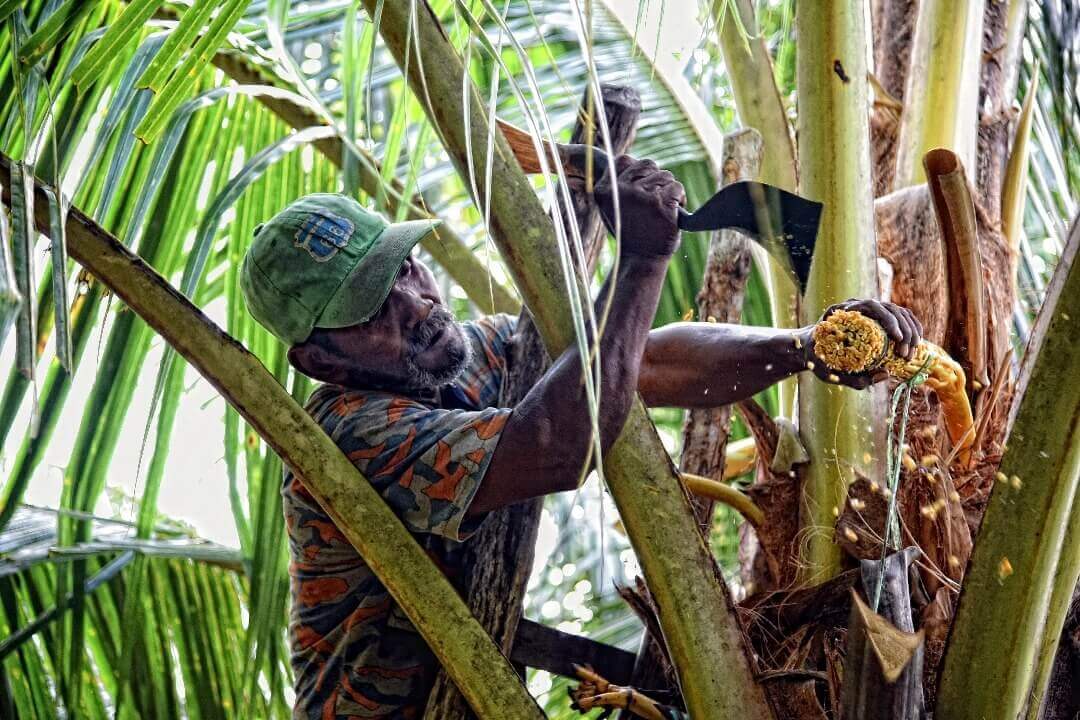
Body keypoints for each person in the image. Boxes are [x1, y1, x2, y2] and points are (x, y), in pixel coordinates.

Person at [240, 156, 922, 719]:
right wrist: (643, 263)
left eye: (405, 269)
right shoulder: (340, 438)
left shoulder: (478, 353)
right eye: (372, 308)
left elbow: (642, 362)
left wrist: (806, 347)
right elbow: (556, 444)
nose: (415, 306)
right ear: (321, 362)